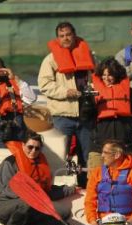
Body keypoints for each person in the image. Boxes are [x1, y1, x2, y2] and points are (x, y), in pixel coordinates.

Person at [0, 132, 77, 225]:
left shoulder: (41, 165)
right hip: (4, 205)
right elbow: (4, 192)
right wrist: (29, 192)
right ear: (22, 145)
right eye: (30, 147)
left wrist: (71, 190)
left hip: (31, 206)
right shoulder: (9, 163)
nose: (33, 151)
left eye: (37, 148)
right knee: (26, 203)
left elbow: (46, 193)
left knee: (63, 214)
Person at [38, 21, 96, 182]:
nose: (66, 38)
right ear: (57, 39)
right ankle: (58, 188)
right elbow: (44, 85)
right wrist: (66, 92)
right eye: (62, 36)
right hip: (62, 116)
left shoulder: (88, 56)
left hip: (86, 114)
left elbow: (96, 78)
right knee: (59, 156)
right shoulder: (50, 60)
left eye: (68, 35)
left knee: (88, 155)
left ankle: (87, 188)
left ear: (74, 35)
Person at [91, 58, 132, 167]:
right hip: (99, 147)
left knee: (127, 179)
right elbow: (86, 118)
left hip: (125, 146)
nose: (106, 78)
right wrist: (87, 104)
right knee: (96, 180)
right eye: (104, 75)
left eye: (110, 75)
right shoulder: (93, 93)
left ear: (116, 75)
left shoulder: (129, 92)